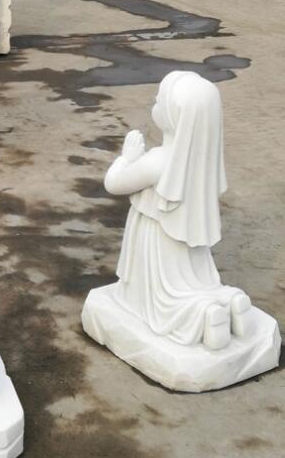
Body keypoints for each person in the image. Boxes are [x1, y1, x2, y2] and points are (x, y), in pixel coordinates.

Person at [104, 71, 253, 349]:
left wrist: (126, 158)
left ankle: (199, 315)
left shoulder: (158, 161)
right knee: (198, 283)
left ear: (175, 116)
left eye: (160, 102)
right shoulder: (203, 163)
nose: (154, 104)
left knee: (164, 294)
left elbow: (114, 184)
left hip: (155, 242)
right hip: (191, 244)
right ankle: (226, 302)